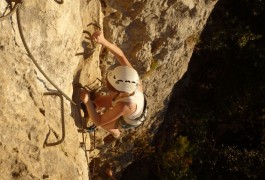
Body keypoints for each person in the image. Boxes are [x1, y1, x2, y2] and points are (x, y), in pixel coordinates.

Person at [80, 30, 147, 139]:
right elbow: (120, 55)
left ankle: (116, 134)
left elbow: (99, 121)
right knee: (97, 102)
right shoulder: (132, 76)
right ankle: (92, 111)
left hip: (132, 119)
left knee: (105, 124)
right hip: (128, 99)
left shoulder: (124, 106)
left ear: (118, 90)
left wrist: (87, 102)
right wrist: (104, 41)